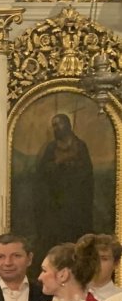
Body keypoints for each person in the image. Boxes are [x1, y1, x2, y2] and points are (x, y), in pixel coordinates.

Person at [34, 113, 94, 264]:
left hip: (75, 201)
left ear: (67, 125)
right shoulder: (51, 147)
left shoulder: (80, 146)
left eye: (58, 124)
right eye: (53, 125)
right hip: (55, 200)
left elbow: (86, 173)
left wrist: (71, 166)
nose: (56, 128)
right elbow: (42, 171)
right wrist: (57, 164)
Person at [85, 233, 121, 301]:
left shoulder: (119, 299)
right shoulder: (72, 295)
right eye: (93, 258)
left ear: (116, 263)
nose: (97, 263)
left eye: (104, 259)